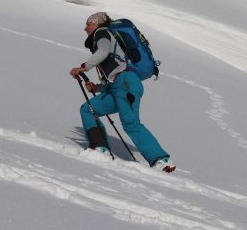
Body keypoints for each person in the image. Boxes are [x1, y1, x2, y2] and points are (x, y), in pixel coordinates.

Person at [70, 12, 175, 173]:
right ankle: (100, 148)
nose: (85, 28)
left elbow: (103, 51)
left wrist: (84, 67)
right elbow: (115, 74)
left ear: (97, 23)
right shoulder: (107, 37)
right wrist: (97, 88)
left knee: (130, 123)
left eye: (88, 24)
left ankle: (161, 159)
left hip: (126, 83)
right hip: (119, 86)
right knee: (88, 109)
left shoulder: (102, 32)